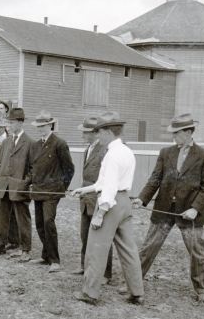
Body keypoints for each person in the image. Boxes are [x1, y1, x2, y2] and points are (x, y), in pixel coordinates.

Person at [133, 113, 204, 303]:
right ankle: (134, 281)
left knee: (197, 252)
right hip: (164, 208)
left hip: (190, 213)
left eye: (176, 133)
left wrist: (195, 208)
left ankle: (201, 289)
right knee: (148, 247)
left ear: (188, 132)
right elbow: (155, 178)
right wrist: (142, 199)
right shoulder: (165, 152)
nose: (173, 137)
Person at [71, 111, 144, 305]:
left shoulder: (111, 154)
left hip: (110, 203)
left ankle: (90, 292)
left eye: (99, 131)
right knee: (129, 249)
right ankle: (136, 291)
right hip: (124, 203)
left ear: (107, 132)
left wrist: (100, 213)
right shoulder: (126, 151)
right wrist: (85, 189)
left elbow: (109, 187)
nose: (97, 135)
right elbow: (105, 182)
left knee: (96, 248)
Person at [29, 110, 74, 273]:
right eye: (38, 126)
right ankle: (45, 255)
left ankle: (55, 260)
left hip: (52, 192)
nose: (41, 129)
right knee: (40, 224)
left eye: (43, 126)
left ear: (50, 125)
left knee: (48, 222)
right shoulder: (35, 145)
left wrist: (61, 188)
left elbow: (69, 168)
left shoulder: (59, 143)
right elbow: (32, 168)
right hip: (38, 190)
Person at [0, 108, 33, 259]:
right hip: (3, 185)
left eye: (11, 123)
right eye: (7, 123)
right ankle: (0, 244)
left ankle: (25, 249)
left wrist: (25, 183)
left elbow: (33, 168)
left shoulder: (30, 143)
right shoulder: (6, 142)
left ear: (20, 122)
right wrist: (0, 178)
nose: (8, 126)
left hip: (19, 187)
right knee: (2, 216)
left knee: (22, 218)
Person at [72, 117, 112, 283]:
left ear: (95, 133)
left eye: (86, 132)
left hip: (98, 198)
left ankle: (105, 273)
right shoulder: (87, 149)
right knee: (85, 235)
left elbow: (105, 181)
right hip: (85, 198)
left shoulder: (105, 151)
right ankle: (84, 265)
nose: (83, 135)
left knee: (101, 238)